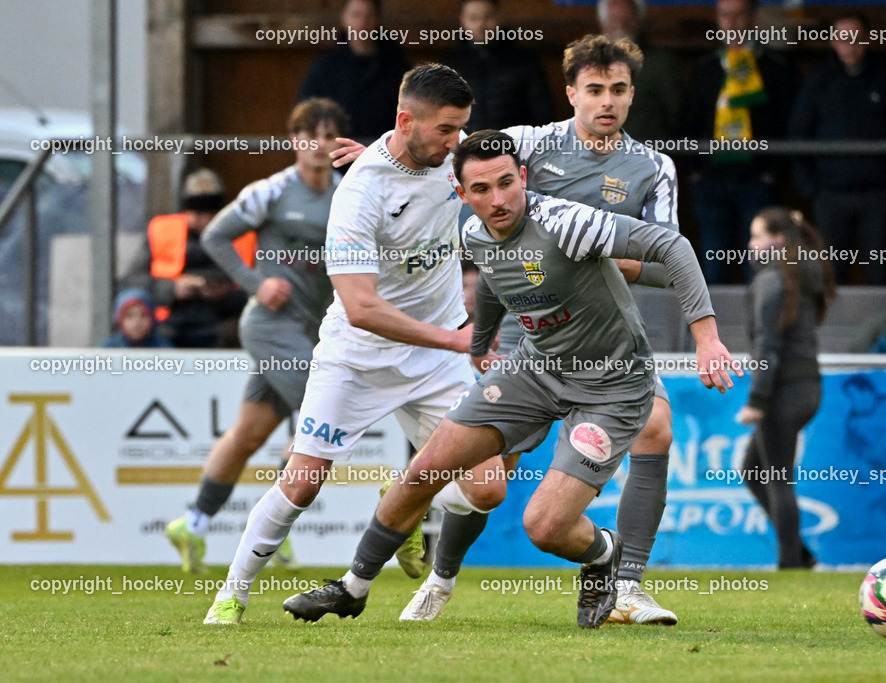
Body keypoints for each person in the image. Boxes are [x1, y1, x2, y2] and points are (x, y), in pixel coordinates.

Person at [280, 129, 739, 629]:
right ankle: (353, 587)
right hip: (534, 370)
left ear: (522, 176)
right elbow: (500, 282)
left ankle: (605, 553)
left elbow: (672, 245)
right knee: (426, 469)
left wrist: (707, 338)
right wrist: (481, 345)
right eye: (481, 190)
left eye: (505, 183)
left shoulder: (568, 223)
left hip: (611, 384)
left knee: (544, 526)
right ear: (462, 194)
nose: (497, 200)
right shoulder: (474, 234)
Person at [202, 64, 510, 626]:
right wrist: (455, 338)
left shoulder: (457, 155)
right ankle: (232, 595)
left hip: (435, 359)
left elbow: (512, 157)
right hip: (358, 355)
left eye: (460, 128)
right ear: (406, 120)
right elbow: (363, 308)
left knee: (488, 489)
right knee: (302, 480)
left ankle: (406, 506)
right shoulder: (360, 192)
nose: (455, 141)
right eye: (445, 129)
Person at [403, 34, 682, 626]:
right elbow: (457, 154)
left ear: (632, 94)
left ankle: (625, 585)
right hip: (525, 335)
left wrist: (596, 255)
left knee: (656, 426)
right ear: (571, 93)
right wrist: (386, 156)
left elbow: (664, 262)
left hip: (599, 338)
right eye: (594, 90)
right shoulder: (531, 144)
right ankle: (441, 578)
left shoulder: (654, 168)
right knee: (483, 482)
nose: (606, 102)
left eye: (618, 90)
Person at [163, 99, 349, 574]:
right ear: (294, 141)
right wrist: (256, 284)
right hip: (270, 327)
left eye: (329, 137)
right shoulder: (272, 191)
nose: (320, 146)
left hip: (310, 328)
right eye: (310, 136)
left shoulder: (348, 193)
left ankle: (194, 523)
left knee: (247, 435)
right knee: (322, 415)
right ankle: (270, 530)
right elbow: (215, 237)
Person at [737, 208, 834, 569]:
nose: (750, 245)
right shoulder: (800, 274)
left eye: (757, 236)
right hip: (808, 385)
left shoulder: (773, 280)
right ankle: (801, 554)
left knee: (777, 479)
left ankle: (791, 563)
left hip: (783, 390)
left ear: (776, 241)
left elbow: (767, 345)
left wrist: (757, 400)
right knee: (754, 470)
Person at [788, 12, 886, 285]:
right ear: (833, 41)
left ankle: (882, 328)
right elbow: (798, 135)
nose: (850, 44)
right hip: (831, 196)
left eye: (856, 37)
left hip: (878, 196)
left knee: (880, 273)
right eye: (843, 38)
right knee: (831, 275)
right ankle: (830, 329)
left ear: (866, 39)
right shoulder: (819, 82)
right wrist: (811, 189)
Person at [680, 0, 800, 284]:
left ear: (754, 17)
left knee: (760, 269)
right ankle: (713, 330)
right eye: (725, 15)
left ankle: (759, 329)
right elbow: (687, 122)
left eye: (739, 14)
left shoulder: (776, 67)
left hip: (758, 181)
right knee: (714, 265)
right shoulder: (707, 68)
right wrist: (696, 171)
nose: (732, 23)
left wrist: (772, 173)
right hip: (711, 182)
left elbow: (790, 125)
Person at [123, 169, 251, 348]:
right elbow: (132, 282)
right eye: (198, 215)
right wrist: (173, 289)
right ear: (186, 211)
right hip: (169, 326)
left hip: (224, 325)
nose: (205, 221)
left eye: (211, 214)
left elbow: (262, 290)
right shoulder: (162, 230)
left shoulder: (243, 236)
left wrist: (225, 294)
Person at [296, 0, 409, 140]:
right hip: (338, 152)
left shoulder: (395, 64)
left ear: (378, 19)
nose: (362, 23)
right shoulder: (326, 66)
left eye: (369, 16)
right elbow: (307, 111)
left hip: (384, 152)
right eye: (356, 15)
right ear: (344, 18)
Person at [442, 0, 554, 132]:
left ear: (499, 17)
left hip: (515, 147)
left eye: (487, 17)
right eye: (473, 18)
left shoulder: (524, 61)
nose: (481, 25)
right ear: (462, 20)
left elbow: (543, 114)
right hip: (464, 148)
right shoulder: (449, 64)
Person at [596, 0, 681, 145]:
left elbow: (678, 117)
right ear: (603, 24)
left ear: (639, 21)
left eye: (627, 20)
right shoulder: (586, 66)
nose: (621, 26)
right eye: (615, 19)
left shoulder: (660, 64)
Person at [100, 288, 173, 348]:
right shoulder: (108, 350)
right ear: (119, 319)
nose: (137, 323)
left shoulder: (163, 349)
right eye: (129, 316)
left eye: (143, 315)